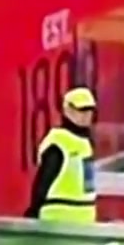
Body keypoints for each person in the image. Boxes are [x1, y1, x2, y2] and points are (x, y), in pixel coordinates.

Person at [26, 86, 96, 226]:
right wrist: (33, 210)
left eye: (89, 110)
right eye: (81, 110)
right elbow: (44, 180)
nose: (86, 115)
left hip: (85, 218)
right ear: (67, 110)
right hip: (57, 217)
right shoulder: (58, 142)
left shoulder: (86, 142)